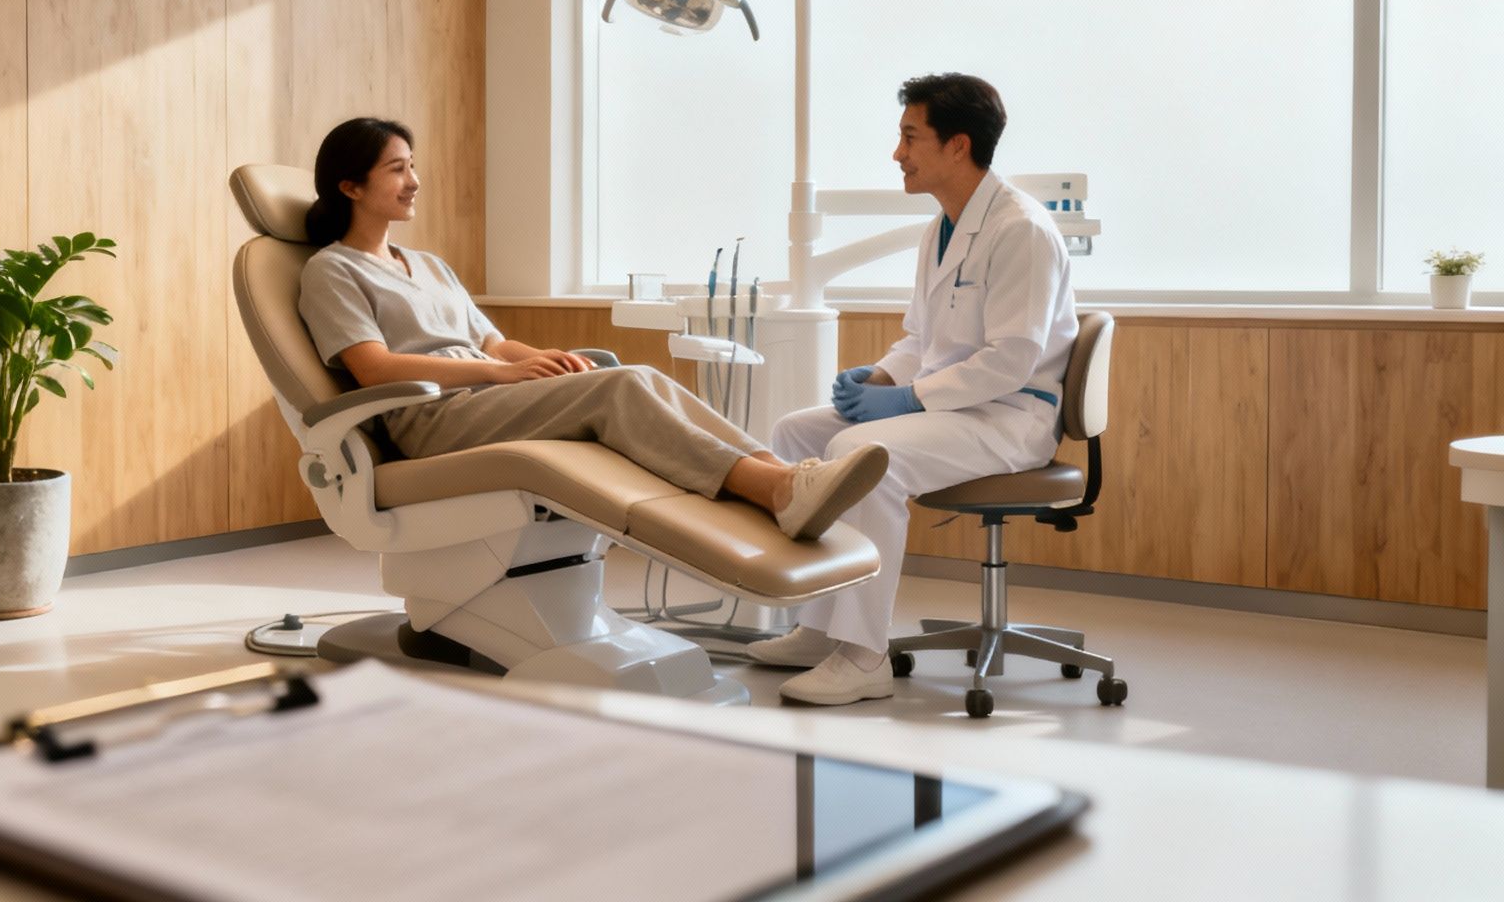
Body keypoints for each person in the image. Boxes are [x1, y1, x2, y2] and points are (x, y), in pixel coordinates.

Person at [296, 116, 887, 541]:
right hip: (431, 418)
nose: (414, 181)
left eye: (413, 166)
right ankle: (777, 491)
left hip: (484, 395)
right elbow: (372, 367)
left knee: (629, 373)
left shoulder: (427, 265)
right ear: (351, 186)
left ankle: (784, 475)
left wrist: (543, 359)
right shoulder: (332, 270)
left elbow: (495, 342)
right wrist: (500, 373)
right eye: (397, 170)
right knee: (619, 389)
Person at [757, 74, 1078, 707]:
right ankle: (820, 628)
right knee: (796, 431)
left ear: (957, 146)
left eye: (910, 136)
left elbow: (1011, 359)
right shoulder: (943, 228)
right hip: (955, 409)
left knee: (871, 454)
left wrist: (906, 401)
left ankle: (863, 654)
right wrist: (876, 379)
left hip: (1010, 416)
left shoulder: (1022, 230)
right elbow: (920, 339)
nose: (897, 153)